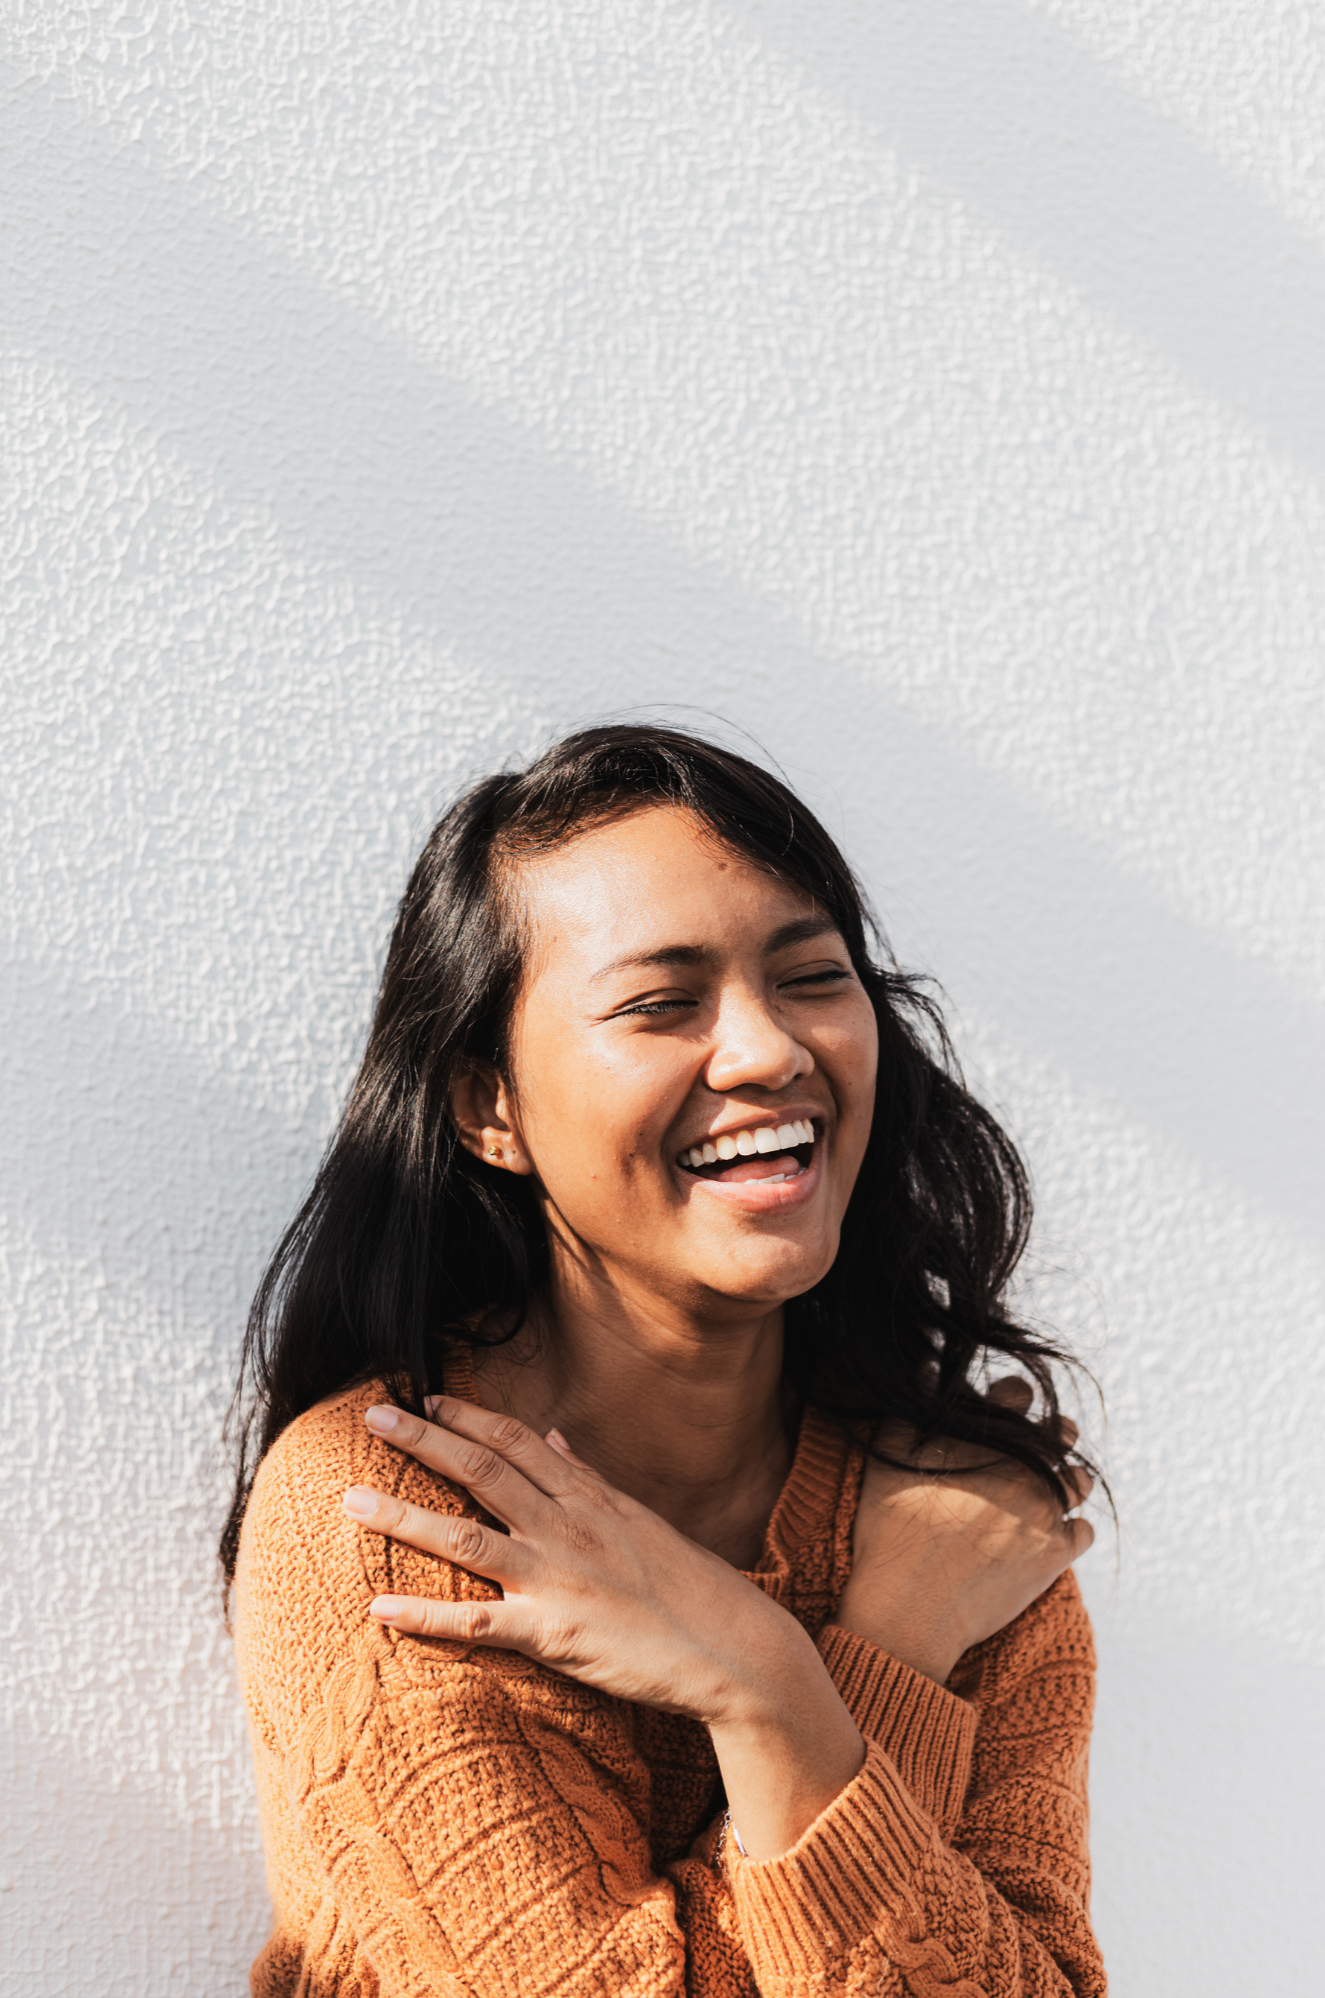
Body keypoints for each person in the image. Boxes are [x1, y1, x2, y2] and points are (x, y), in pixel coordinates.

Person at [224, 722, 1104, 1997]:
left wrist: (817, 1674)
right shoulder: (394, 1523)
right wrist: (824, 1675)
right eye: (659, 1004)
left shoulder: (966, 1521)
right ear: (491, 1108)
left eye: (810, 977)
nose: (764, 1053)